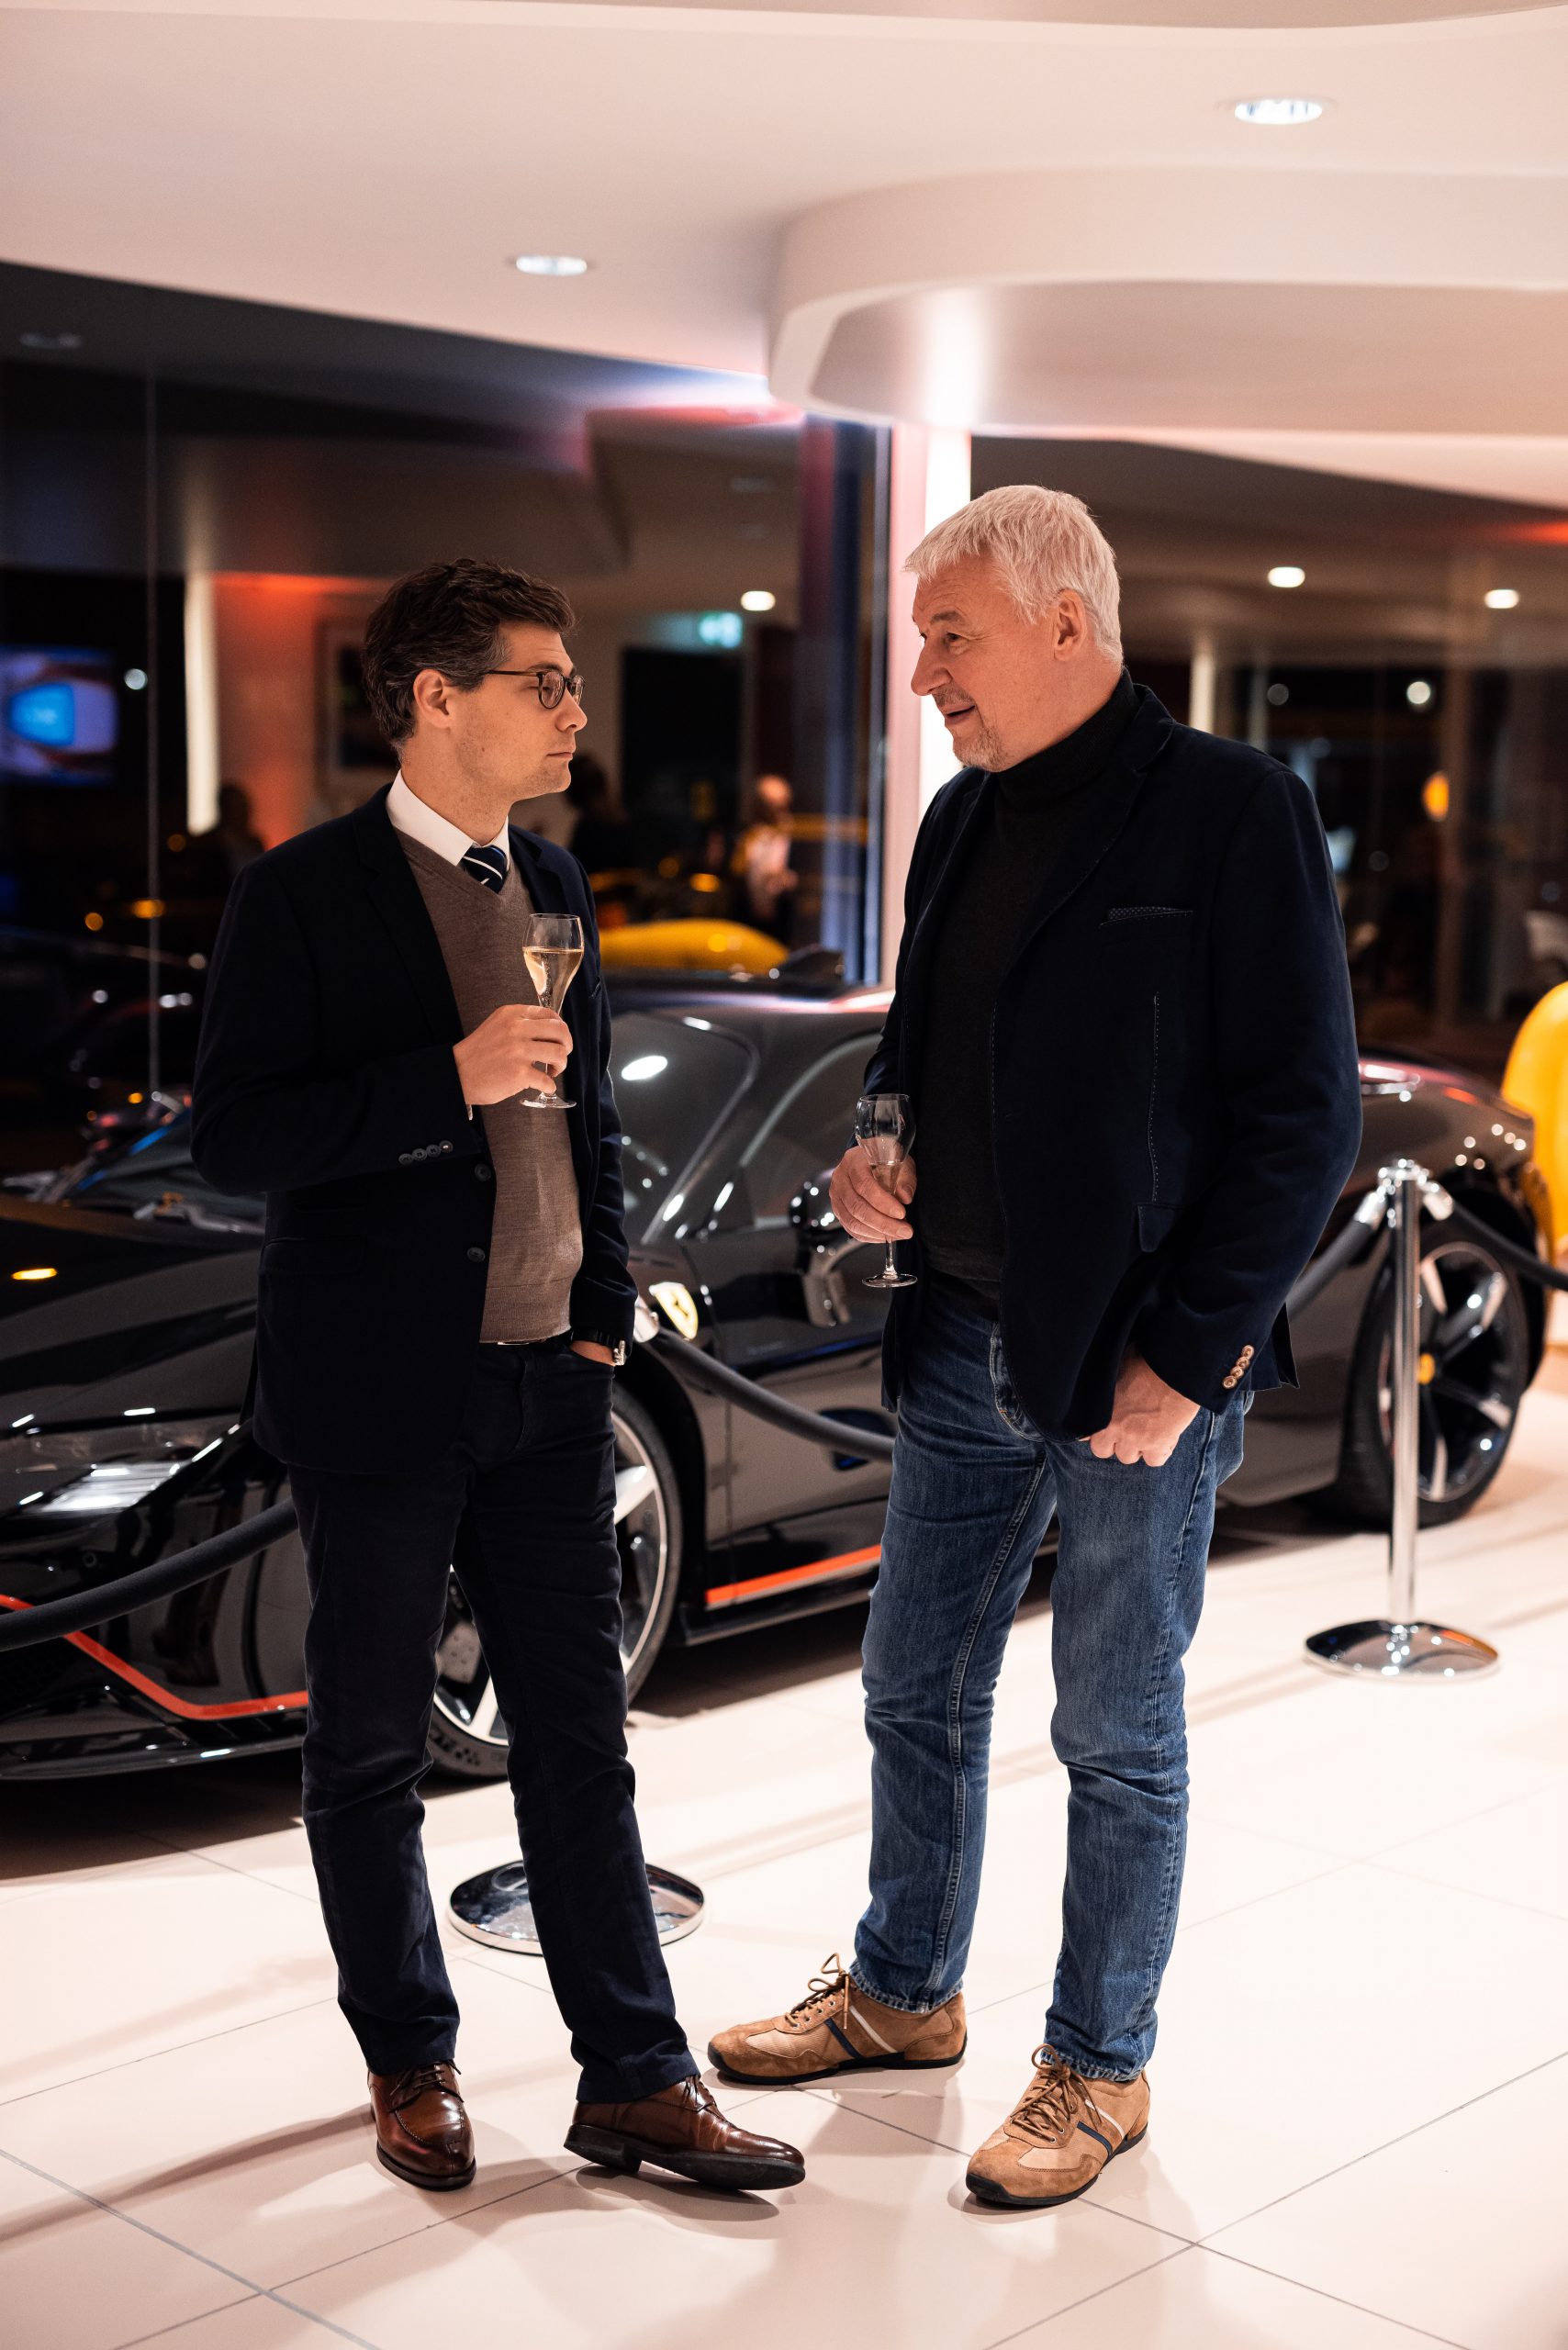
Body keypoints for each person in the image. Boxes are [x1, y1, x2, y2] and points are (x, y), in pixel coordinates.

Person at [711, 487, 1361, 2210]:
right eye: (923, 637)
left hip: (1135, 1367)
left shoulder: (1234, 810)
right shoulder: (958, 821)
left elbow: (1301, 1119)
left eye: (951, 635)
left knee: (1114, 1732)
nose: (925, 672)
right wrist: (878, 1149)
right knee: (909, 1687)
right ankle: (903, 1992)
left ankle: (1099, 2064)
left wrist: (1191, 1359)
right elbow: (913, 1056)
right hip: (956, 1337)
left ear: (1067, 624)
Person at [191, 557, 801, 2200]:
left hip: (551, 1387)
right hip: (382, 1392)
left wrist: (601, 1309)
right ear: (434, 697)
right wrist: (440, 1082)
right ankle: (411, 2060)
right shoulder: (301, 893)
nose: (575, 711)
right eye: (545, 681)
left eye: (572, 682)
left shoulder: (554, 880)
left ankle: (637, 2077)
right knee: (371, 1749)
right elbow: (234, 1137)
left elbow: (587, 1125)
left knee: (581, 1741)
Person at [737, 772, 798, 941]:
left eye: (781, 804)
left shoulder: (797, 836)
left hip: (785, 923)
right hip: (748, 920)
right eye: (769, 804)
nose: (776, 811)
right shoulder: (748, 836)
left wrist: (790, 880)